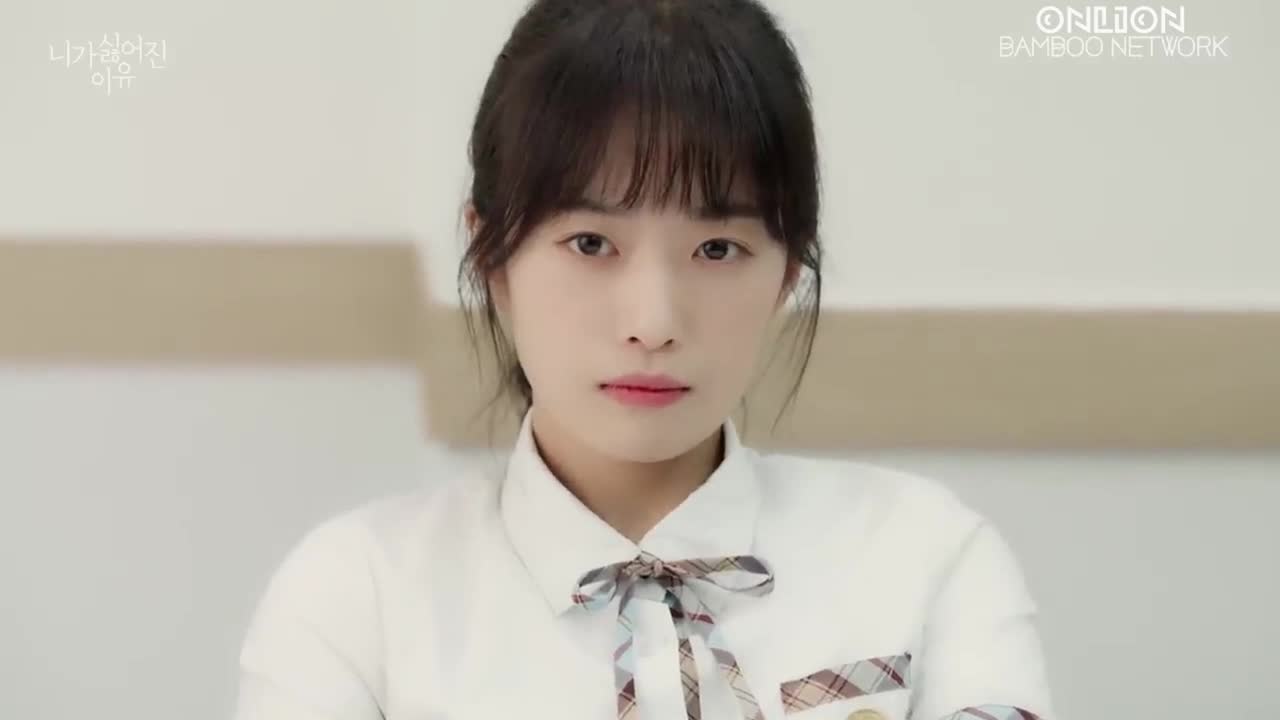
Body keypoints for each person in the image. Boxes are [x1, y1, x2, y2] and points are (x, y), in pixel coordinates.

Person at [233, 1, 1056, 719]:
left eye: (717, 248)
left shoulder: (928, 560)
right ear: (492, 257)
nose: (654, 323)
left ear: (787, 272)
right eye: (591, 243)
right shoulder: (356, 600)